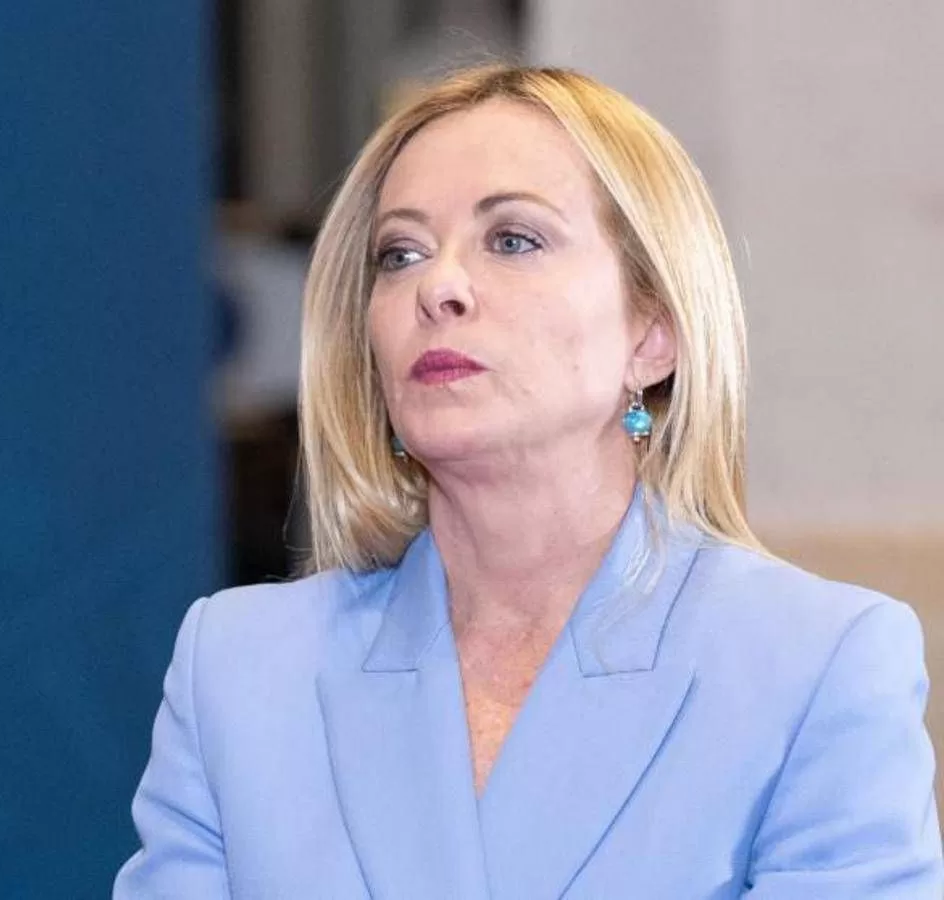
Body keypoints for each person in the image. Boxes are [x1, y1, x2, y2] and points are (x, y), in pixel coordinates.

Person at [113, 65, 943, 899]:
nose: (438, 287)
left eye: (513, 239)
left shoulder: (816, 666)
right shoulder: (238, 670)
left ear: (652, 333)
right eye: (400, 254)